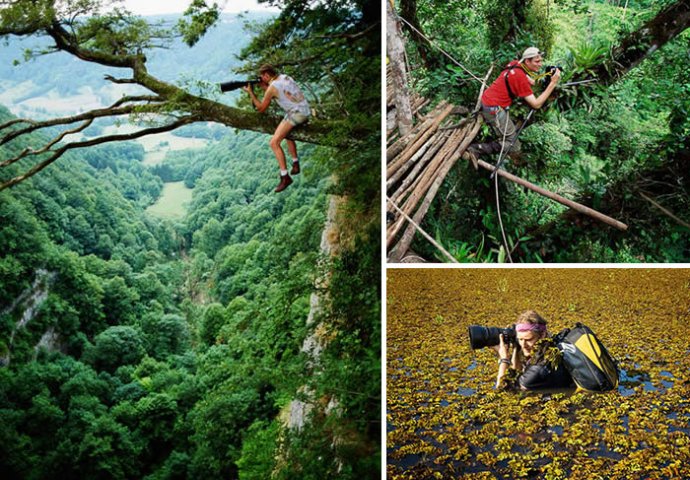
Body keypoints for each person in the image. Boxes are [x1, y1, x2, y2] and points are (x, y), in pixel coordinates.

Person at [468, 47, 561, 161]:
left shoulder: (515, 64)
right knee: (513, 145)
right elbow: (536, 104)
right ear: (527, 61)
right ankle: (476, 148)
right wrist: (553, 83)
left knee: (510, 130)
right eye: (537, 62)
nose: (540, 64)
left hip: (488, 100)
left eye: (541, 61)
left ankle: (485, 144)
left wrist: (537, 80)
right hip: (493, 109)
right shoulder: (520, 77)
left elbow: (528, 80)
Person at [244, 64, 311, 193]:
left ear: (267, 75)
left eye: (262, 76)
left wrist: (251, 93)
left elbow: (261, 108)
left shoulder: (272, 88)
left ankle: (285, 176)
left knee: (274, 142)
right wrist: (265, 88)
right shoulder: (285, 77)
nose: (261, 79)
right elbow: (279, 92)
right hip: (305, 110)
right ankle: (295, 163)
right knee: (285, 133)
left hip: (296, 113)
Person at [494, 310, 573, 391]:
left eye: (528, 339)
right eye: (520, 339)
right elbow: (518, 372)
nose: (523, 345)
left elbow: (501, 390)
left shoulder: (539, 368)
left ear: (542, 335)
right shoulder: (547, 348)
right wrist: (515, 347)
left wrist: (504, 359)